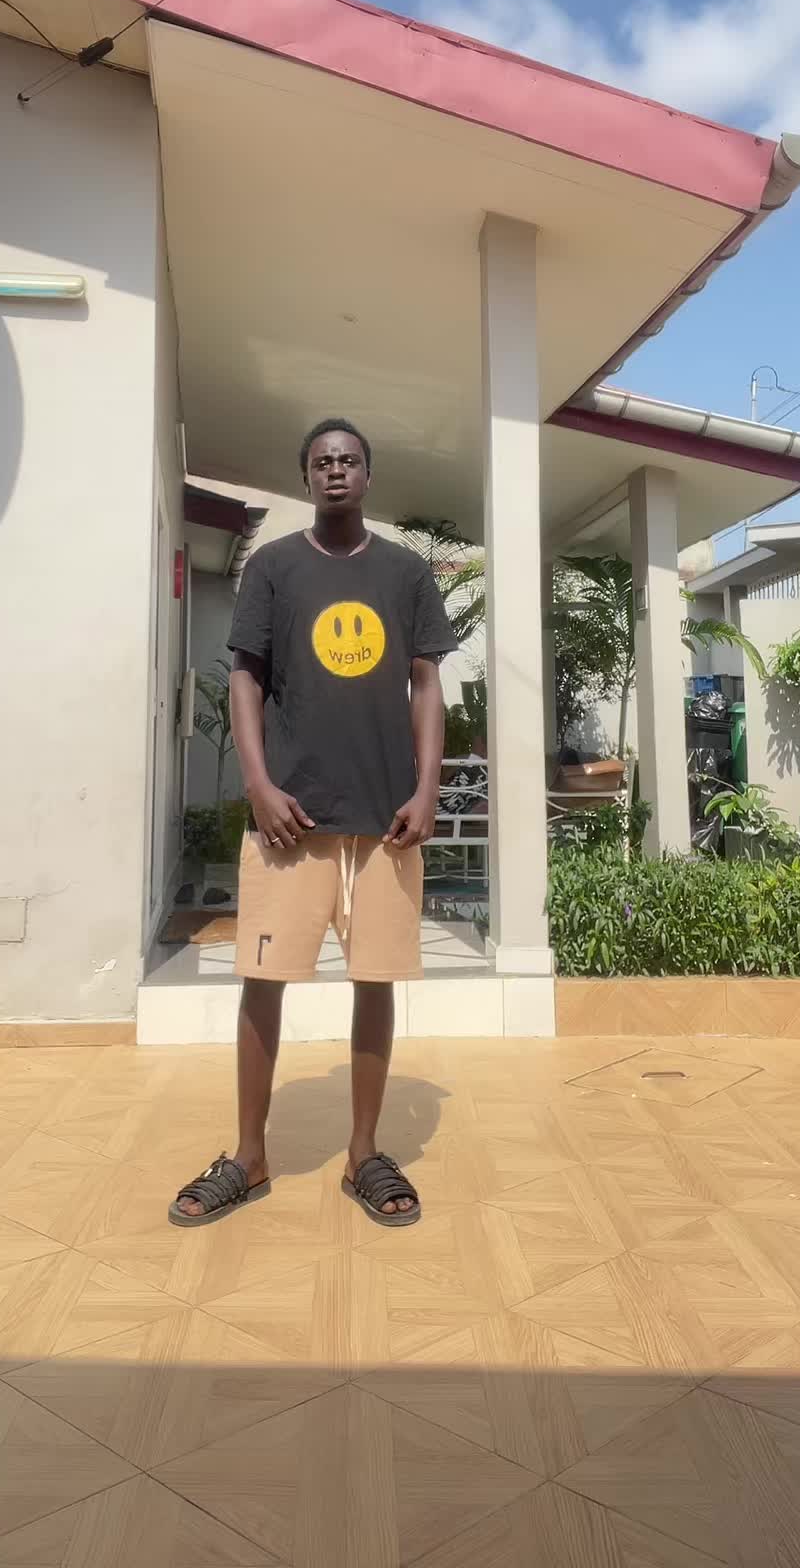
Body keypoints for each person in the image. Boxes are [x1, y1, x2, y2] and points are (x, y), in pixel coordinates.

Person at [169, 419, 457, 1231]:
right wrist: (257, 783)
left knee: (376, 981)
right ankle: (249, 1156)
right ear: (306, 477)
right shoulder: (273, 568)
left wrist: (427, 789)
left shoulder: (406, 573)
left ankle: (364, 1153)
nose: (336, 470)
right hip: (290, 821)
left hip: (386, 821)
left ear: (368, 475)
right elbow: (246, 680)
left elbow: (426, 685)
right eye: (322, 461)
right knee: (262, 983)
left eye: (349, 460)